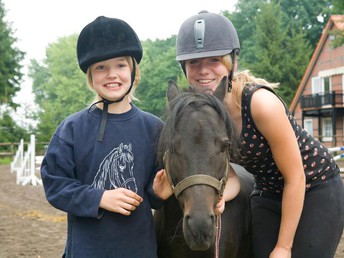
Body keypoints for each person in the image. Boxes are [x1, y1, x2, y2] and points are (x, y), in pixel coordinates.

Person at [174, 10, 344, 258]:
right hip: (267, 191)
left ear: (232, 62)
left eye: (214, 60)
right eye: (194, 63)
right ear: (184, 68)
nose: (203, 71)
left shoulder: (260, 104)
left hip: (313, 186)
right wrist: (218, 199)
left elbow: (295, 177)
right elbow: (231, 177)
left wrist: (284, 246)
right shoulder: (208, 117)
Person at [40, 16, 168, 258]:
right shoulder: (72, 128)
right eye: (101, 67)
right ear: (90, 75)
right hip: (87, 249)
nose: (112, 74)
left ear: (133, 70)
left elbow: (152, 194)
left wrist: (157, 192)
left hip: (139, 249)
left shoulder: (155, 128)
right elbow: (55, 184)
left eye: (120, 65)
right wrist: (100, 197)